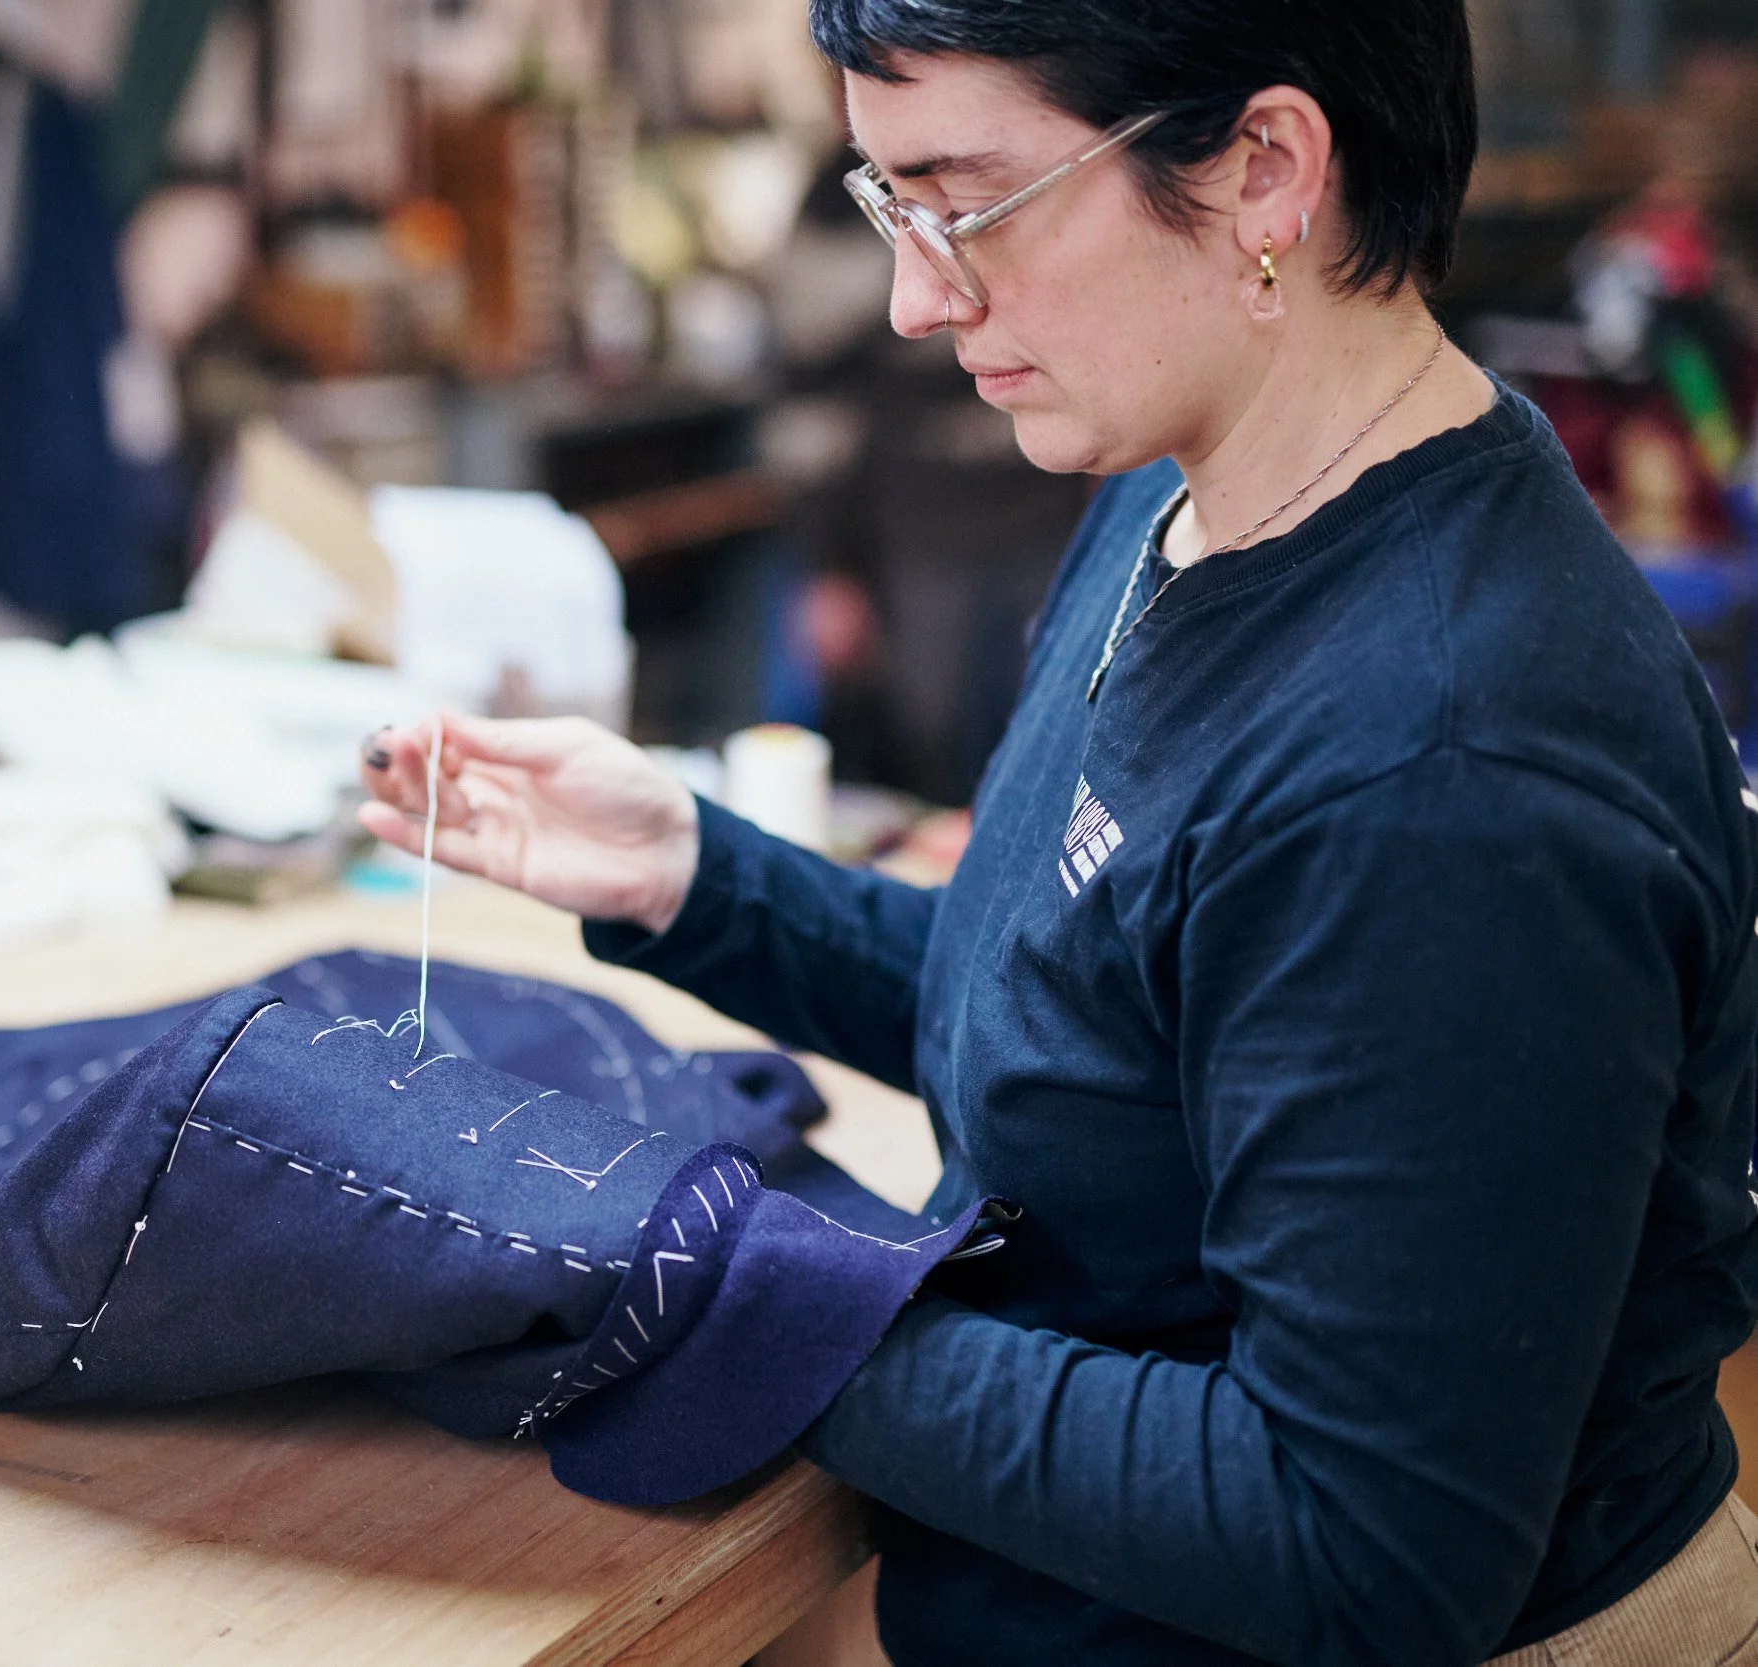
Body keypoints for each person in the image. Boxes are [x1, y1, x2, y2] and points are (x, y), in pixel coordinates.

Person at [358, 1, 1758, 1662]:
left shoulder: (1446, 770)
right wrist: (699, 874)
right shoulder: (1183, 492)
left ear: (1263, 171)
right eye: (893, 205)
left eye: (971, 202)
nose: (916, 294)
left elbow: (1361, 1544)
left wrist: (751, 1301)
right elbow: (1097, 1020)